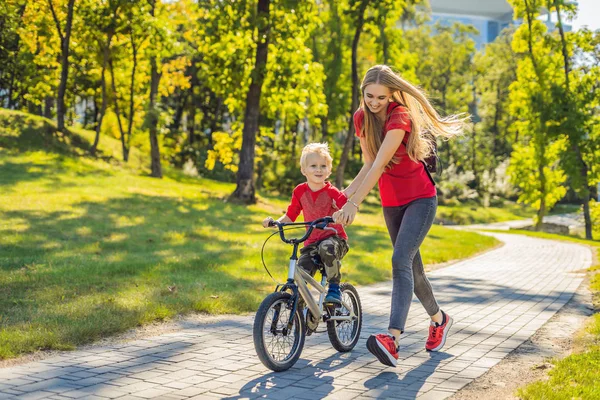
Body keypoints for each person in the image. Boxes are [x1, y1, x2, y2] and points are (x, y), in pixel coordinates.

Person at [333, 65, 467, 367]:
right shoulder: (360, 118)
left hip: (420, 199)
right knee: (413, 270)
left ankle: (392, 338)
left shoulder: (399, 116)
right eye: (369, 96)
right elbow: (368, 164)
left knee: (399, 261)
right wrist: (342, 198)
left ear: (392, 94)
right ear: (363, 92)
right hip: (391, 204)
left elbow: (381, 163)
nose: (374, 102)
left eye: (381, 97)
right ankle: (440, 319)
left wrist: (355, 204)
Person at [263, 142, 349, 305]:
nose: (318, 169)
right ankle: (301, 313)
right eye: (313, 166)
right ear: (304, 170)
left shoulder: (332, 192)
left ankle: (334, 288)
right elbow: (290, 215)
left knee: (326, 247)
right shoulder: (300, 191)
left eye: (323, 166)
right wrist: (275, 223)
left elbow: (346, 206)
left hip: (335, 240)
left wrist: (342, 214)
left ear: (329, 171)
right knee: (300, 273)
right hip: (312, 242)